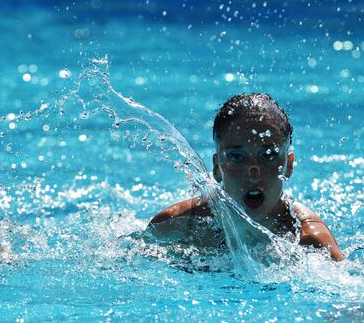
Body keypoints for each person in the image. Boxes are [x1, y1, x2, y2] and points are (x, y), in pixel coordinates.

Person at [147, 93, 344, 261]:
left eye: (268, 155)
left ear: (288, 165)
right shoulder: (180, 225)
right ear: (217, 168)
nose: (253, 170)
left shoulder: (307, 239)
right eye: (237, 157)